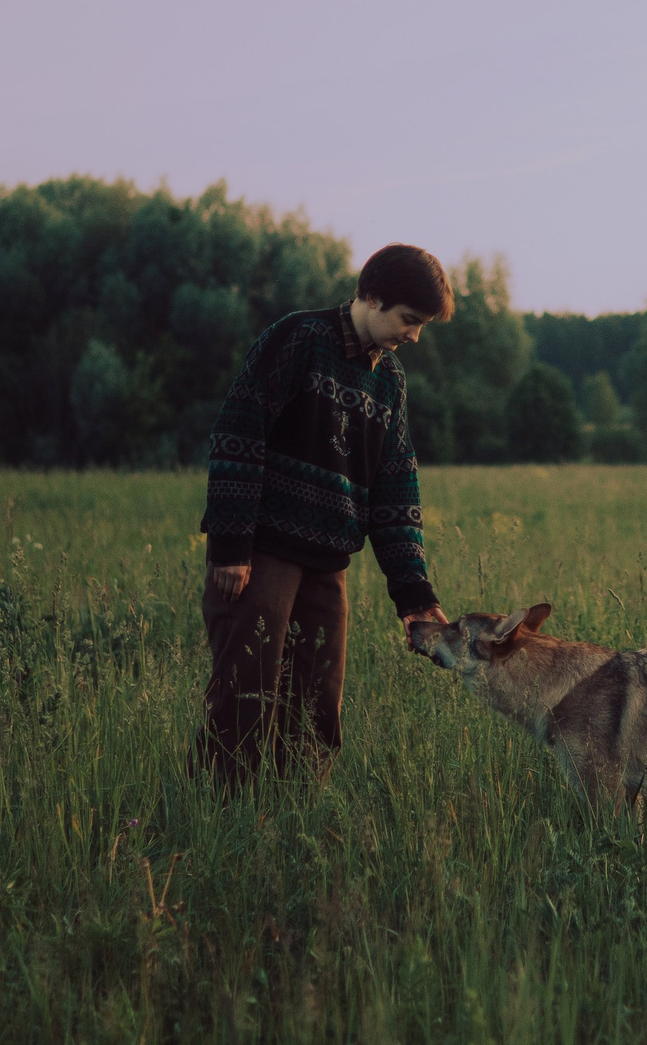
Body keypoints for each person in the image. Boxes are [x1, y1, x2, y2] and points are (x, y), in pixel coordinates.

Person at [194, 244, 453, 787]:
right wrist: (231, 544)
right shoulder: (299, 338)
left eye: (423, 325)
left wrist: (415, 597)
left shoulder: (390, 383)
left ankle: (296, 823)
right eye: (409, 320)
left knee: (317, 706)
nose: (414, 336)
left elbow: (394, 488)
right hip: (261, 555)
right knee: (245, 697)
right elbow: (239, 430)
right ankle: (220, 821)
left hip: (329, 565)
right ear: (372, 296)